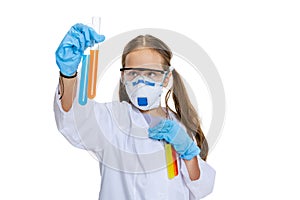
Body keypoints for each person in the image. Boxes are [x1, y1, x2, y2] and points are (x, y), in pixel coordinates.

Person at [54, 23, 216, 200]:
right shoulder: (112, 120)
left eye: (151, 74)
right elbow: (75, 120)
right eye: (133, 73)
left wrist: (189, 152)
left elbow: (202, 187)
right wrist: (68, 75)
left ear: (166, 77)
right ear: (123, 77)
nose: (141, 82)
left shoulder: (178, 126)